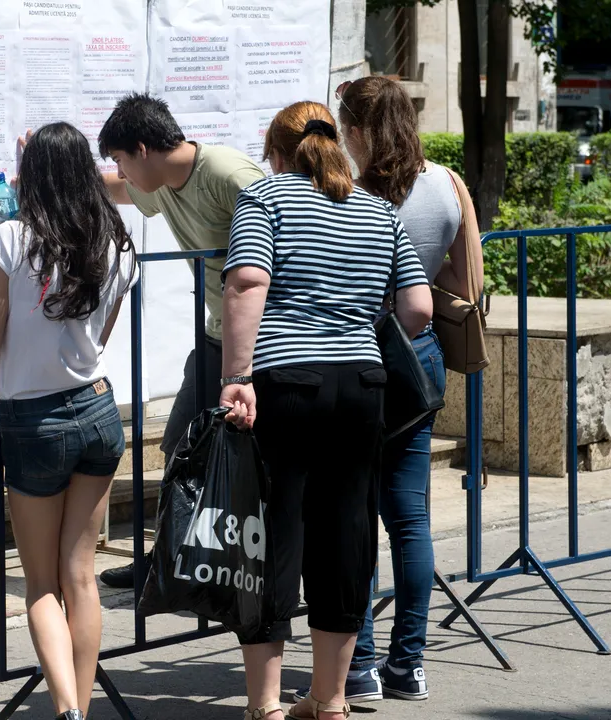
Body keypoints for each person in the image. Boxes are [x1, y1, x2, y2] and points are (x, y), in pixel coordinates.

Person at [219, 101, 434, 720]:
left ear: (279, 153)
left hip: (285, 383)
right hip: (362, 386)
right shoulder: (378, 210)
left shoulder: (267, 199)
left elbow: (246, 283)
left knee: (270, 535)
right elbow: (416, 307)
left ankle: (264, 703)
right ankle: (331, 700)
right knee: (346, 535)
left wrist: (236, 377)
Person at [287, 76, 486, 705]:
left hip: (356, 355)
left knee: (350, 512)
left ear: (362, 128)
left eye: (347, 123)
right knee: (410, 516)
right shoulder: (449, 183)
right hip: (419, 358)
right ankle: (411, 663)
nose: (343, 133)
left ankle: (361, 663)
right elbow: (469, 282)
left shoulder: (347, 190)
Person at [0, 121, 138, 720]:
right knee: (82, 576)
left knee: (41, 583)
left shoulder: (11, 238)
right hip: (97, 409)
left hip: (34, 422)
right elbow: (104, 336)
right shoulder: (115, 240)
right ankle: (82, 710)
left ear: (32, 178)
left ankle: (66, 709)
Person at [93, 93, 266, 589]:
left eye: (123, 160)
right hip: (214, 336)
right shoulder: (161, 180)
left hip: (261, 343)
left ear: (143, 149)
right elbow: (120, 191)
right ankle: (168, 560)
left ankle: (260, 571)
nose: (121, 172)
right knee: (180, 447)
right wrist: (50, 175)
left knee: (258, 460)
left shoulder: (230, 175)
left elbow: (288, 241)